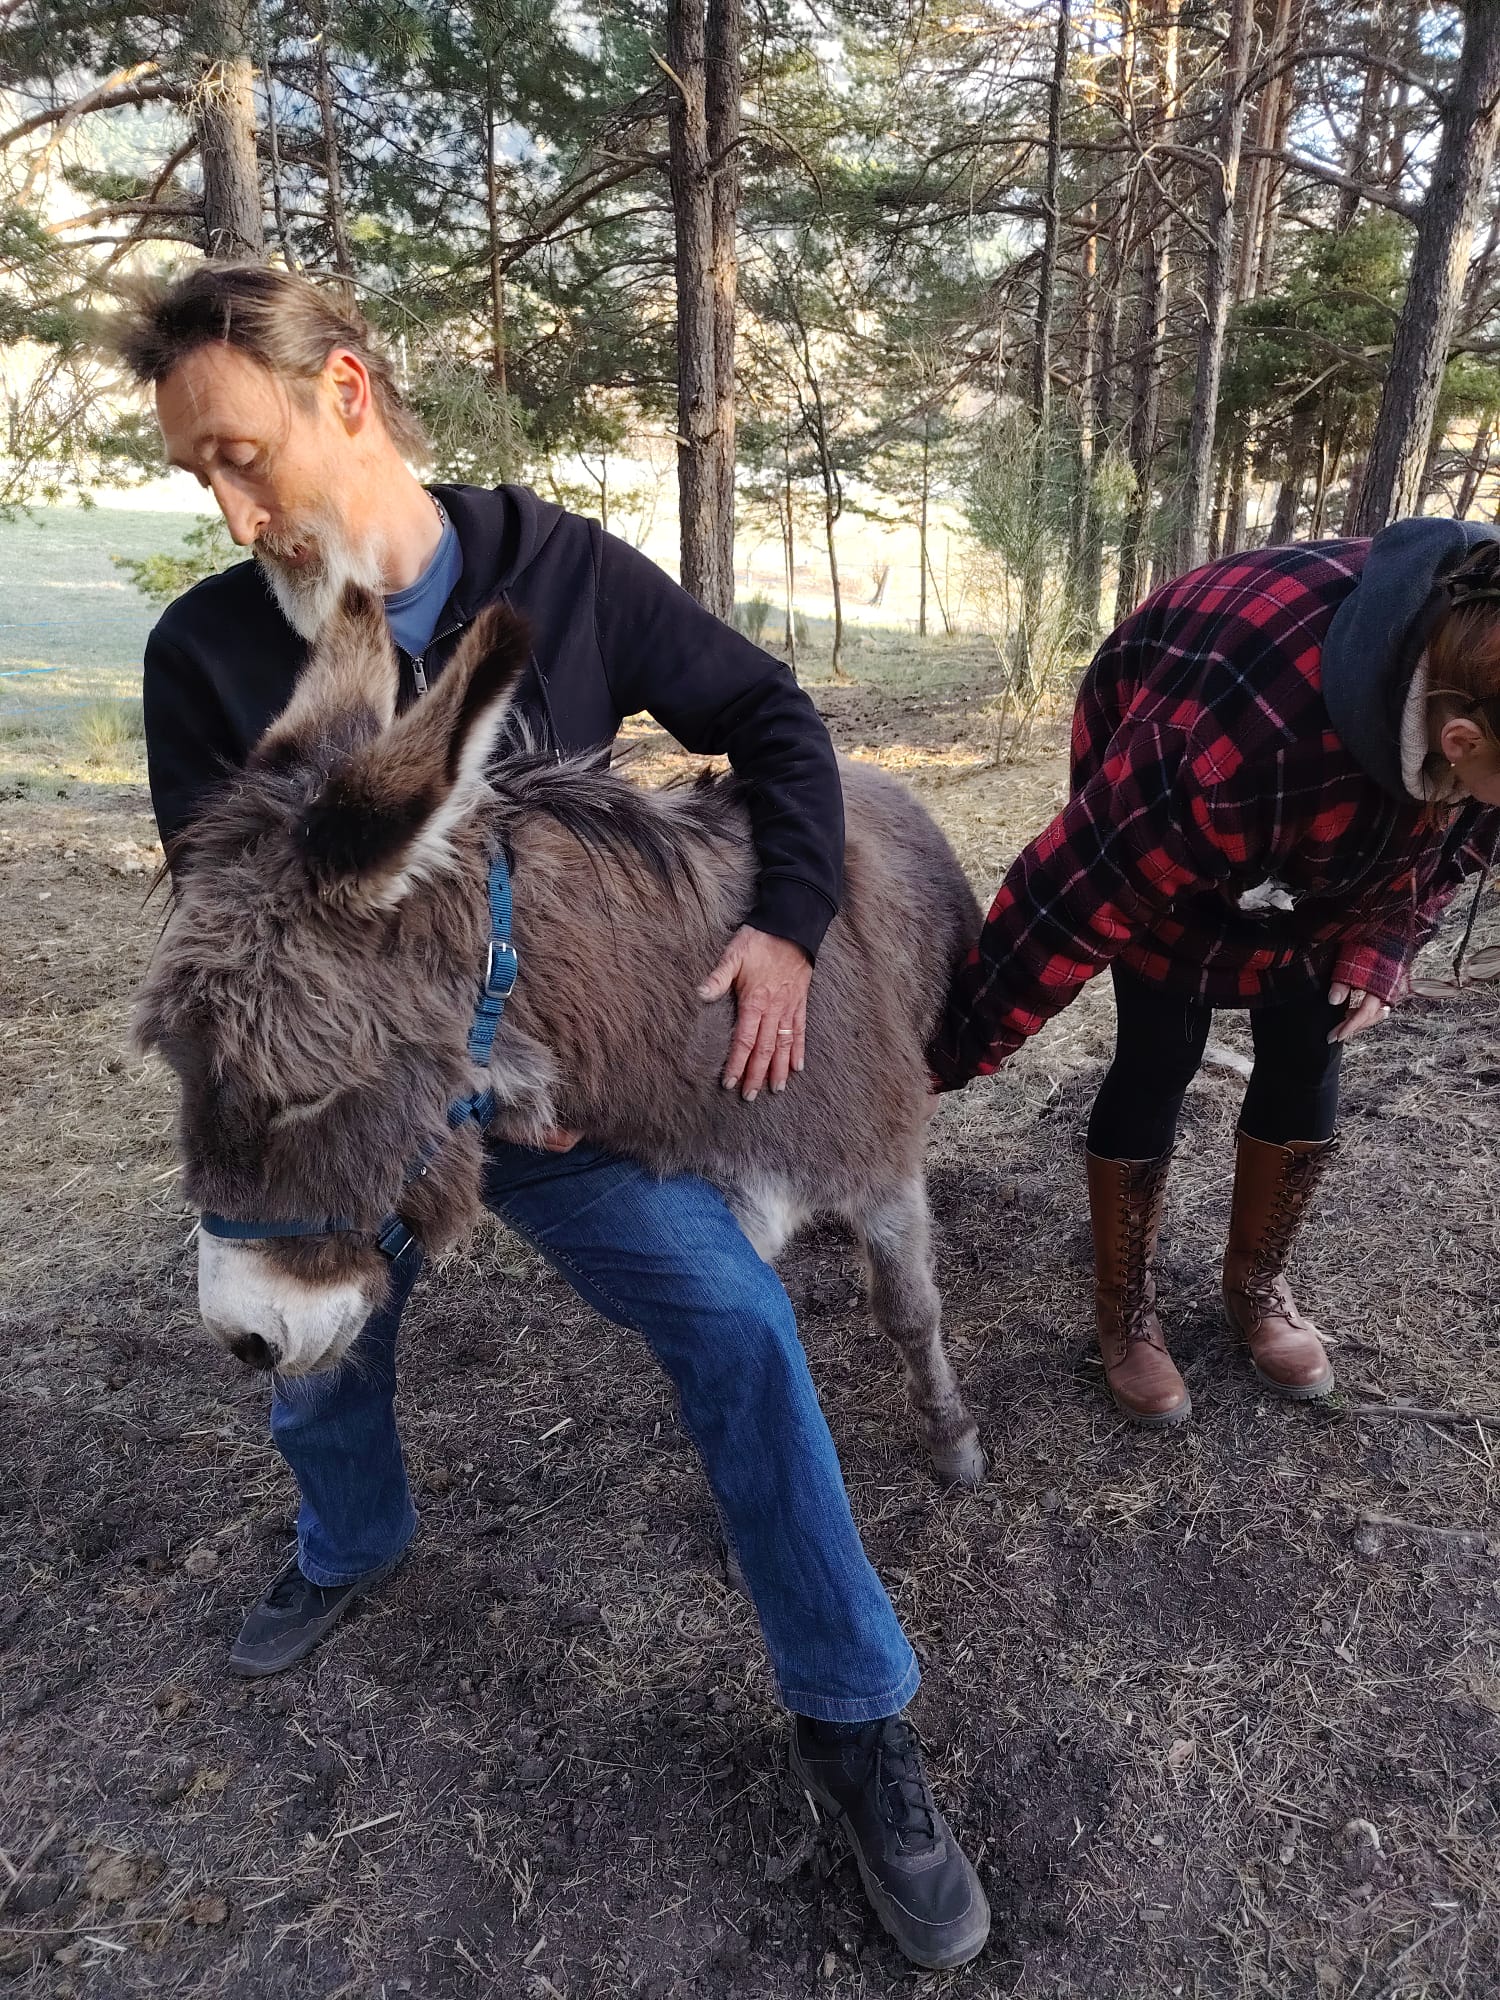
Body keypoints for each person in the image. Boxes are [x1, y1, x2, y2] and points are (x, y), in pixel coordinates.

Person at [115, 263, 988, 1972]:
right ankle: (349, 1536)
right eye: (195, 477)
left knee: (737, 1322)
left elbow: (772, 725)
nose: (229, 509)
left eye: (243, 456)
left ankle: (854, 1722)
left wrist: (785, 926)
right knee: (315, 1289)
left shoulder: (556, 570)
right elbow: (221, 925)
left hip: (572, 1103)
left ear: (344, 397)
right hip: (357, 1097)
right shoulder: (204, 656)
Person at [929, 524, 1500, 1426]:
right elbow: (1074, 896)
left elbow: (1465, 843)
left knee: (1310, 1049)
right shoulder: (1226, 744)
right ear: (1460, 738)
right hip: (1192, 783)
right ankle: (1127, 1317)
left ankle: (1255, 1285)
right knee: (1159, 1051)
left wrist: (1384, 940)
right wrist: (947, 1053)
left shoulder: (1483, 721)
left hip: (1338, 829)